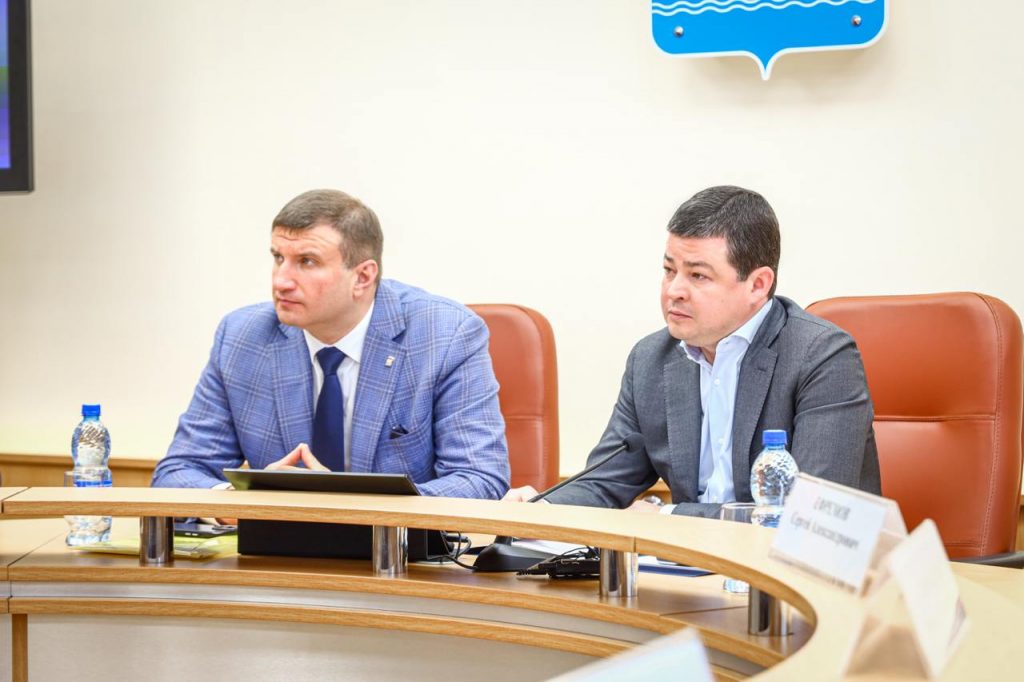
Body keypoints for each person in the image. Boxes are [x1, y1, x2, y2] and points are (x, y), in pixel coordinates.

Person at [506, 185, 880, 517]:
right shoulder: (651, 359)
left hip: (792, 568)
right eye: (669, 270)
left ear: (757, 285)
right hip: (683, 570)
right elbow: (604, 482)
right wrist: (541, 510)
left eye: (698, 275)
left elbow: (811, 515)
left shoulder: (821, 356)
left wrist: (670, 518)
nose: (674, 291)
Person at [152, 189, 510, 500]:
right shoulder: (243, 338)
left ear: (363, 276)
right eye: (278, 258)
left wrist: (350, 507)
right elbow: (177, 473)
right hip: (276, 553)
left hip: (398, 552)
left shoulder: (444, 335)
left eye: (307, 262)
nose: (281, 281)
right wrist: (239, 502)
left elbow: (479, 480)